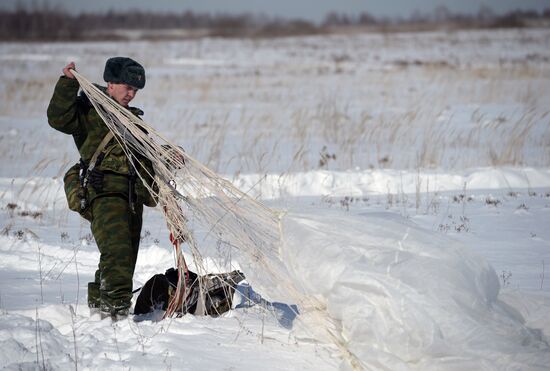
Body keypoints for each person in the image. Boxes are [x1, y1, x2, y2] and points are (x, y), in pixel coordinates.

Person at [47, 57, 157, 320]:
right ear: (110, 84)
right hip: (104, 193)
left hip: (132, 197)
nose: (131, 94)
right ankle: (115, 315)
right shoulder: (89, 109)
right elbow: (58, 118)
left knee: (123, 259)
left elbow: (143, 159)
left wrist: (167, 157)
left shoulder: (134, 122)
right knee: (117, 255)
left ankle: (99, 311)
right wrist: (67, 84)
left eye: (135, 90)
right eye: (127, 87)